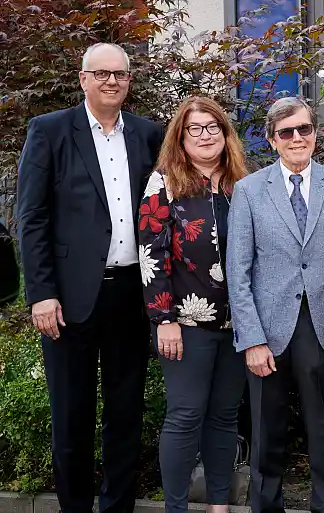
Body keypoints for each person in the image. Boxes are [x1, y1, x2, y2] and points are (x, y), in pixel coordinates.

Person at [16, 42, 164, 513]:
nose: (111, 82)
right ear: (83, 79)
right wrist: (41, 294)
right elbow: (32, 216)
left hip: (130, 295)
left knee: (126, 413)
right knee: (71, 415)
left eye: (119, 74)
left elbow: (165, 210)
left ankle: (117, 506)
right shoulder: (51, 130)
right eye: (100, 74)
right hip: (69, 297)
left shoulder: (147, 134)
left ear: (128, 80)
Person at [226, 97, 324, 513]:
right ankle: (266, 506)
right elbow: (238, 272)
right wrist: (251, 339)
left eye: (304, 129)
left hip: (322, 323)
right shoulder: (248, 191)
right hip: (267, 330)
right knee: (266, 430)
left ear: (316, 133)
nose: (297, 138)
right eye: (286, 132)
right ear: (271, 139)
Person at [139, 96, 249, 512]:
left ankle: (220, 504)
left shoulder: (242, 181)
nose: (205, 135)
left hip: (238, 324)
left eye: (213, 127)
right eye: (195, 129)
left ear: (225, 133)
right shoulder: (164, 182)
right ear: (181, 137)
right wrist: (163, 318)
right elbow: (152, 255)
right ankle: (177, 507)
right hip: (184, 322)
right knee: (185, 416)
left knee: (224, 416)